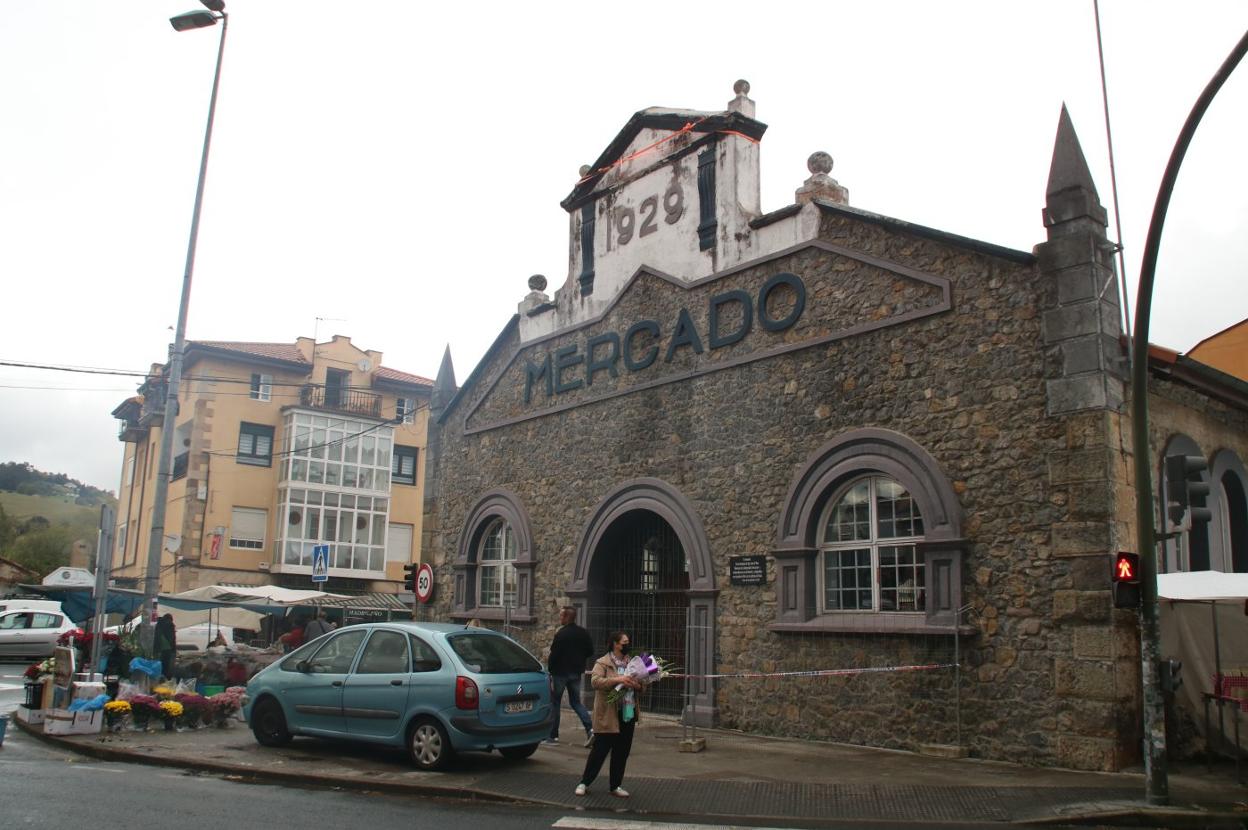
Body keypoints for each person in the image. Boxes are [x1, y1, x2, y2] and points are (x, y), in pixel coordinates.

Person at [576, 631, 643, 799]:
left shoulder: (633, 662)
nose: (627, 645)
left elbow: (642, 685)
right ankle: (584, 782)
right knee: (600, 750)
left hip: (627, 712)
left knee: (622, 752)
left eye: (628, 641)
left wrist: (637, 685)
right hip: (607, 714)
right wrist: (618, 680)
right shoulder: (603, 662)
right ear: (615, 644)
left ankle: (615, 785)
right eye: (624, 642)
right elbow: (595, 682)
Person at [545, 605, 595, 746]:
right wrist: (579, 659)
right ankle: (590, 729)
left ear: (567, 617)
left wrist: (550, 670)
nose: (560, 617)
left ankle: (552, 736)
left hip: (559, 673)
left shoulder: (561, 634)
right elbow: (590, 651)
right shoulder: (583, 633)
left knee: (555, 702)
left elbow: (554, 655)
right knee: (576, 702)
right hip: (575, 672)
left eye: (561, 615)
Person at [154, 614, 177, 679]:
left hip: (159, 648)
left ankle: (160, 678)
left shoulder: (158, 624)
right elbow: (171, 638)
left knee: (159, 665)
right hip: (167, 648)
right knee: (166, 666)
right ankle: (166, 678)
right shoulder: (170, 625)